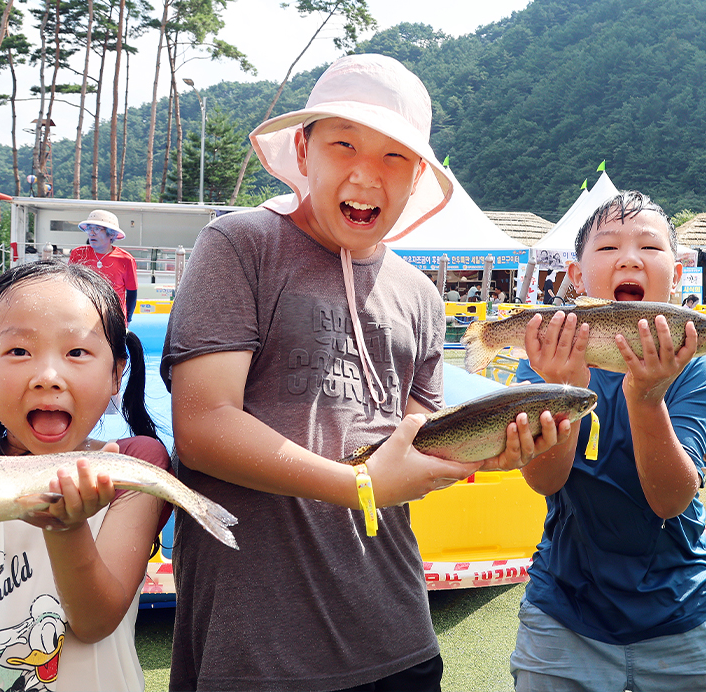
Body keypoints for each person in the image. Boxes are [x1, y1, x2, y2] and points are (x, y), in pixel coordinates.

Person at [160, 53, 567, 691]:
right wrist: (361, 487)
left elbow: (413, 437)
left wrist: (476, 453)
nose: (365, 173)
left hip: (396, 635)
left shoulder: (419, 295)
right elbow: (204, 427)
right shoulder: (240, 245)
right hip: (255, 649)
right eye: (344, 144)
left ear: (417, 178)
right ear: (304, 148)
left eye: (393, 157)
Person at [508, 190, 706, 691]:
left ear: (678, 275)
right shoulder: (548, 357)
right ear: (577, 279)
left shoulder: (697, 363)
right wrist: (567, 389)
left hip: (683, 601)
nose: (629, 258)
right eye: (607, 249)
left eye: (649, 247)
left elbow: (670, 499)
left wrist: (646, 399)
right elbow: (545, 479)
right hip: (564, 606)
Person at [0, 260, 169, 691]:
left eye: (77, 352)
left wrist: (67, 528)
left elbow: (95, 621)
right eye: (19, 351)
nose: (47, 378)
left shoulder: (133, 466)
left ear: (117, 373)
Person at [69, 210, 139, 325]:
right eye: (89, 228)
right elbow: (69, 286)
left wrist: (128, 320)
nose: (91, 233)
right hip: (82, 317)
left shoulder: (126, 259)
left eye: (96, 229)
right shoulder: (78, 254)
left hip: (113, 319)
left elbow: (132, 293)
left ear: (111, 234)